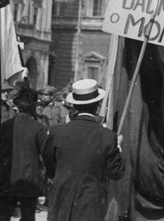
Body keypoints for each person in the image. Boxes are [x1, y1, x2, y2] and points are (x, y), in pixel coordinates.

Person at [43, 78, 125, 221]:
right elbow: (117, 173)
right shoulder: (107, 136)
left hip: (61, 201)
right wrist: (117, 148)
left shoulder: (57, 132)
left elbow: (49, 164)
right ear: (98, 106)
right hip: (91, 206)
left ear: (74, 105)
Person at [0, 87, 47, 221]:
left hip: (7, 179)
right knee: (28, 217)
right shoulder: (38, 127)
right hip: (29, 181)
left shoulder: (5, 126)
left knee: (4, 216)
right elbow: (45, 154)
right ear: (33, 107)